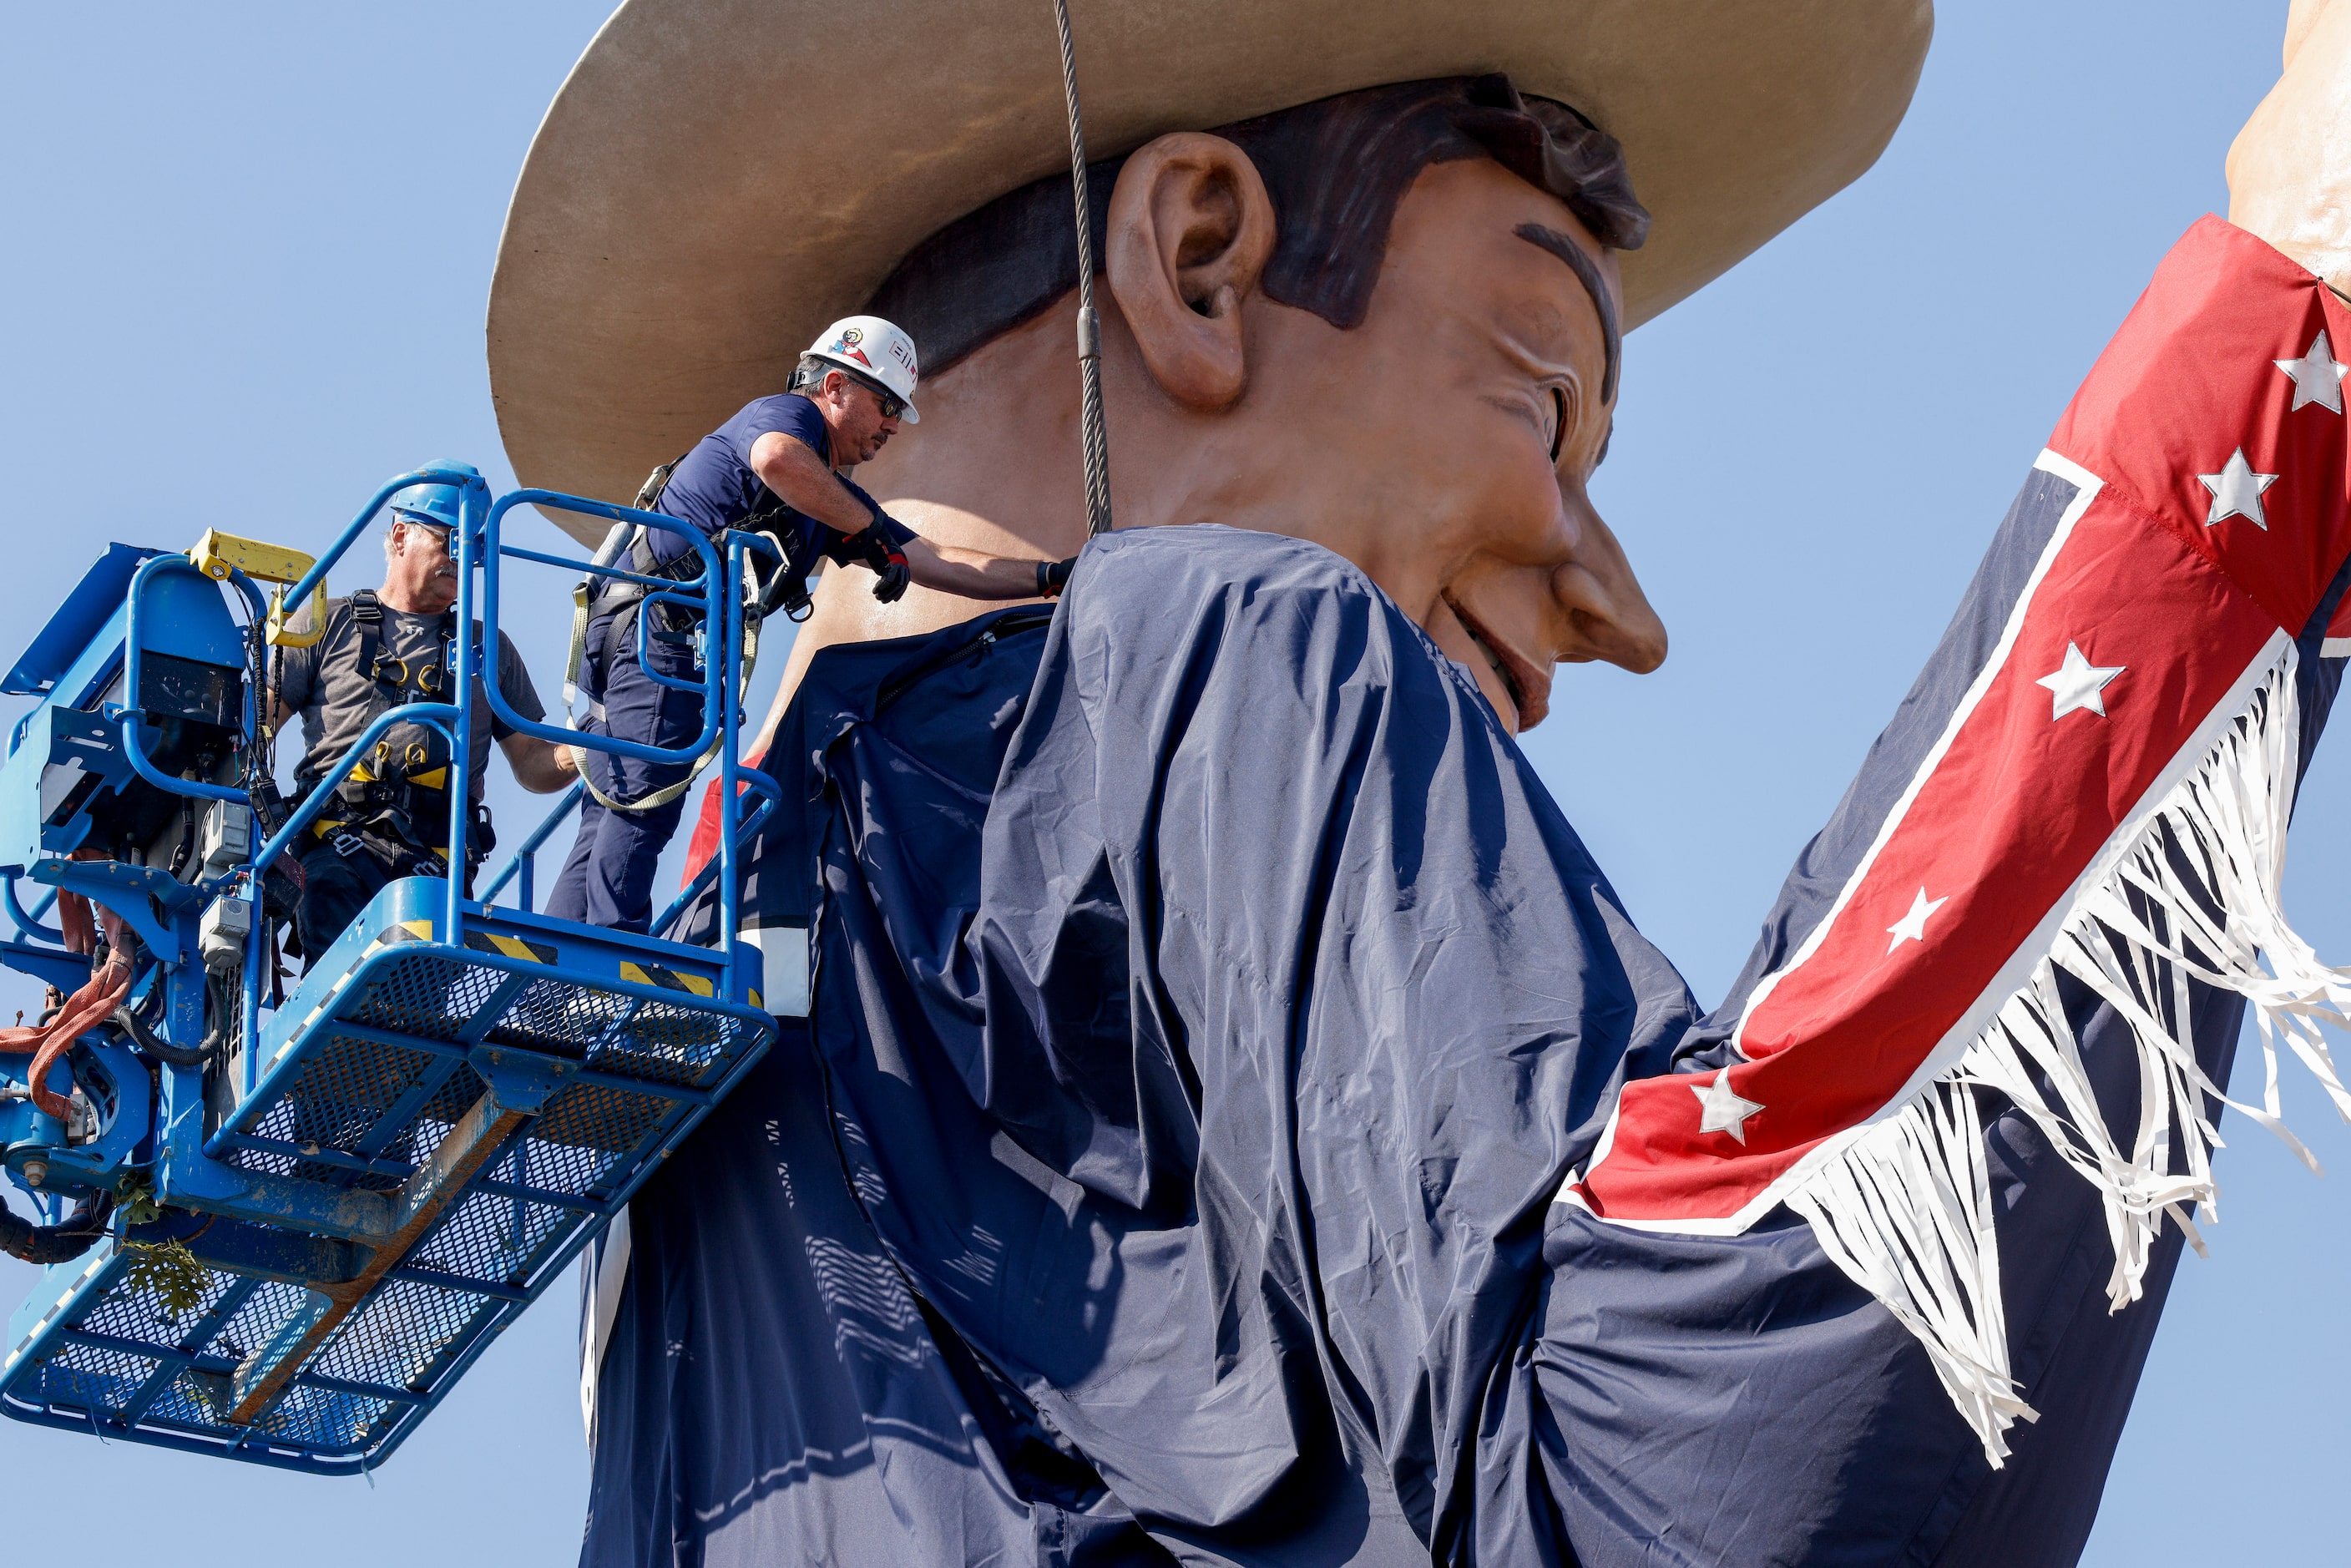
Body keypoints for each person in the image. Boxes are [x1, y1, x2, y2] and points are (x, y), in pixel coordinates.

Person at [493, 4, 2351, 1565]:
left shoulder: (671, 1010)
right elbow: (1697, 1480)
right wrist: (2289, 320)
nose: (1620, 612)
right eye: (1542, 402)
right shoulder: (1209, 653)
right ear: (1197, 257)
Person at [542, 315, 1064, 933]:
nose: (892, 425)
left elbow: (936, 559)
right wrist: (868, 533)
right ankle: (610, 960)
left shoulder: (829, 495)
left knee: (614, 803)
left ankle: (557, 959)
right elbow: (774, 458)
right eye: (885, 403)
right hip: (660, 625)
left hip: (641, 623)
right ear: (836, 386)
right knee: (645, 798)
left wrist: (1050, 576)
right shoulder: (790, 421)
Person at [276, 464, 577, 963]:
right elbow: (256, 727)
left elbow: (531, 763)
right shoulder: (327, 622)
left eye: (473, 549)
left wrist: (590, 751)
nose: (461, 559)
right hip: (339, 845)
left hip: (437, 864)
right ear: (400, 535)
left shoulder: (487, 649)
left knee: (420, 1004)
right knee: (334, 967)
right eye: (449, 540)